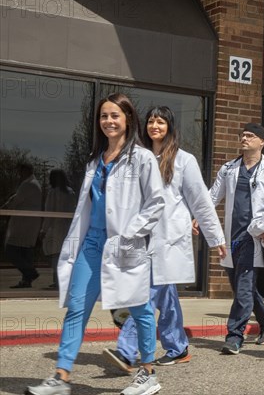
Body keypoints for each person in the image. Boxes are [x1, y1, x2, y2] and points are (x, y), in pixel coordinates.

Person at [25, 93, 165, 395]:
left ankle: (148, 373)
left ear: (128, 119)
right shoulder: (94, 161)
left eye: (115, 115)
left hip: (125, 244)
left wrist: (131, 233)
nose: (109, 121)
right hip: (91, 244)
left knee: (139, 308)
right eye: (104, 116)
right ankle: (61, 377)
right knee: (76, 307)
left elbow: (156, 202)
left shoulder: (142, 158)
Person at [103, 106, 227, 373]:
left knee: (143, 296)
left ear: (169, 126)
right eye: (150, 121)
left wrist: (216, 237)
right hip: (139, 238)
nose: (154, 126)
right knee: (165, 297)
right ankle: (178, 347)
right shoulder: (137, 157)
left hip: (167, 240)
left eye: (160, 122)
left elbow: (201, 202)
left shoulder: (184, 160)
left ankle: (127, 351)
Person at [210, 122, 264, 355]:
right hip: (231, 238)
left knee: (244, 288)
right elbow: (212, 197)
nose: (244, 138)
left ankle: (235, 336)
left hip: (254, 237)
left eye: (249, 135)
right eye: (242, 135)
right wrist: (197, 216)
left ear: (262, 141)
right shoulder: (229, 168)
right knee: (241, 288)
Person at [2, 162, 43, 288]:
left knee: (11, 250)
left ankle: (30, 272)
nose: (19, 174)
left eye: (20, 171)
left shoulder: (28, 185)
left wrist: (5, 210)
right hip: (28, 225)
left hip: (23, 224)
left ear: (26, 171)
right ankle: (26, 279)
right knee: (25, 252)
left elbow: (15, 201)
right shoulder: (33, 184)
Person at [40, 169, 76, 289]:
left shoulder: (53, 193)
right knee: (63, 255)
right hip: (67, 227)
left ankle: (57, 281)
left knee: (55, 254)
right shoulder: (70, 192)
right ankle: (63, 280)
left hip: (55, 227)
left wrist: (43, 230)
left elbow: (49, 212)